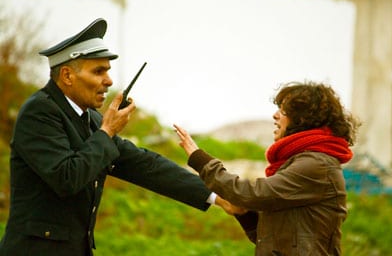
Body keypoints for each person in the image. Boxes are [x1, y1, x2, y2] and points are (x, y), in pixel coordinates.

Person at [0, 18, 242, 256]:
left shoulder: (91, 118)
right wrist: (107, 132)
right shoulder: (39, 112)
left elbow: (144, 165)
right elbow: (66, 178)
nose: (109, 80)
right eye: (98, 71)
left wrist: (217, 196)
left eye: (108, 71)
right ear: (67, 76)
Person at [174, 81, 360, 256]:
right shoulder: (302, 163)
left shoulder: (316, 165)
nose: (275, 115)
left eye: (284, 110)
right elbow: (274, 241)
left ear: (303, 119)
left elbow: (253, 194)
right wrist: (244, 214)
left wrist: (200, 159)